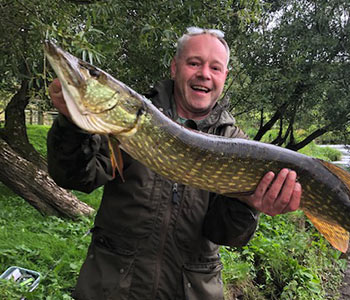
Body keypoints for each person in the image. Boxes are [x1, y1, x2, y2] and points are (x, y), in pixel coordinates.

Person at [47, 27, 302, 300]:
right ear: (174, 67)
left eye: (215, 68)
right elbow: (75, 177)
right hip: (112, 288)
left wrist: (249, 205)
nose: (204, 73)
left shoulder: (234, 141)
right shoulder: (131, 120)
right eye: (194, 63)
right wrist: (72, 123)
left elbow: (224, 233)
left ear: (224, 77)